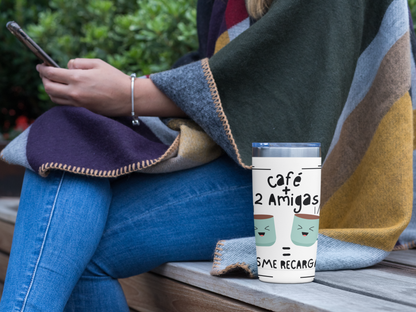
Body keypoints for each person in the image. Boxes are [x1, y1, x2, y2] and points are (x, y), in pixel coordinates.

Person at [1, 0, 415, 310]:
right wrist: (126, 91)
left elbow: (283, 90)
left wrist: (131, 94)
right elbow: (223, 65)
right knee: (68, 136)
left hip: (317, 184)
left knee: (77, 251)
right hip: (245, 162)